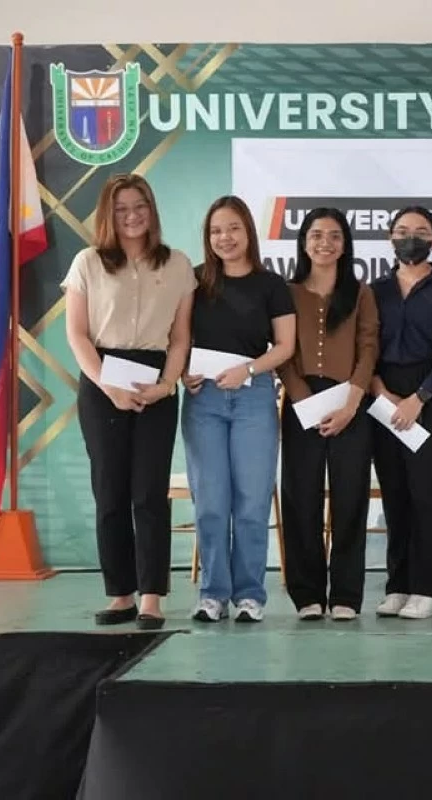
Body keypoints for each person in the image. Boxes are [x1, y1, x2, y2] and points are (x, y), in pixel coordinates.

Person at [62, 173, 195, 630]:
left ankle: (152, 598)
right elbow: (77, 335)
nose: (132, 215)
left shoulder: (178, 264)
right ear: (108, 214)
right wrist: (106, 384)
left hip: (156, 381)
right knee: (111, 491)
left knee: (149, 493)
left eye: (139, 206)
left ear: (152, 210)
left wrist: (167, 384)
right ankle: (120, 594)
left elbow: (180, 338)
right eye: (121, 208)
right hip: (103, 381)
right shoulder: (88, 262)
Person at [181, 196, 295, 624]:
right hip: (202, 400)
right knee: (210, 501)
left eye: (232, 228)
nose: (224, 238)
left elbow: (285, 346)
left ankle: (250, 595)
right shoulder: (192, 282)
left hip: (253, 397)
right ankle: (213, 594)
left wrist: (247, 368)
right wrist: (182, 374)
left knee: (251, 502)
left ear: (248, 231)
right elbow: (177, 341)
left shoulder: (271, 285)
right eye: (215, 231)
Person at [370, 206, 432, 620]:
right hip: (382, 396)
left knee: (427, 494)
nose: (410, 237)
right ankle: (398, 585)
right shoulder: (375, 290)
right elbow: (365, 345)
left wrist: (419, 397)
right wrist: (381, 390)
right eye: (402, 230)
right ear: (390, 238)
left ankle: (426, 588)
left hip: (431, 398)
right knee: (394, 495)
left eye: (420, 231)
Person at [277, 208, 378, 622]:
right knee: (301, 498)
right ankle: (307, 595)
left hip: (349, 402)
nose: (325, 243)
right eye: (316, 235)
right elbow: (281, 349)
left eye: (334, 236)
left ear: (345, 244)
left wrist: (351, 401)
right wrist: (302, 398)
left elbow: (369, 347)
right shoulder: (287, 291)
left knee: (350, 498)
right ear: (304, 242)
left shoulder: (360, 293)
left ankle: (347, 596)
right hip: (302, 400)